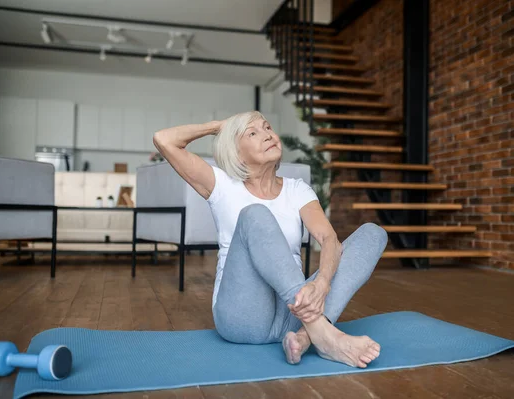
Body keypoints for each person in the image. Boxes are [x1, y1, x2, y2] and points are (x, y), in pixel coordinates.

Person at [153, 111, 388, 368]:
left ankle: (304, 336)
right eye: (252, 133)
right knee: (255, 214)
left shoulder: (297, 189)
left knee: (373, 234)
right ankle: (323, 332)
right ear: (235, 151)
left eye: (267, 128)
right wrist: (220, 127)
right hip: (244, 316)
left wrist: (321, 284)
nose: (267, 135)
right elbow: (164, 140)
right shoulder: (220, 184)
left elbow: (329, 239)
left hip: (294, 312)